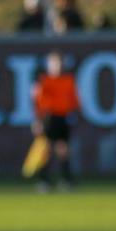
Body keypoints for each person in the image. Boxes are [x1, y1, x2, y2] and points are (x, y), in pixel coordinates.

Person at [31, 51, 80, 192]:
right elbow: (37, 102)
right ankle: (43, 181)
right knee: (45, 150)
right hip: (48, 117)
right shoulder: (43, 81)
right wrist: (38, 120)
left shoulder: (68, 80)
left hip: (62, 117)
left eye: (58, 63)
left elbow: (74, 100)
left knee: (63, 149)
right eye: (52, 63)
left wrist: (75, 113)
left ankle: (66, 180)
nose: (55, 66)